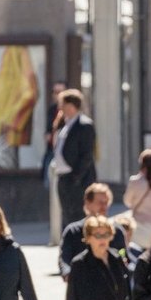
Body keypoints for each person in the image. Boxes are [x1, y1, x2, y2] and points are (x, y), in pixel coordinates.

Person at [59, 183, 127, 276]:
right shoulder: (72, 231)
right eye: (100, 203)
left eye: (106, 203)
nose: (104, 207)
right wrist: (69, 274)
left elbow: (123, 254)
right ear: (87, 203)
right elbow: (64, 259)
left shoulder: (117, 231)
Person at [53, 89, 97, 226]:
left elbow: (87, 154)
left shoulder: (84, 125)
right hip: (63, 176)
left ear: (71, 105)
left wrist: (76, 176)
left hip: (76, 179)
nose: (60, 108)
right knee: (66, 214)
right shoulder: (65, 124)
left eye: (63, 104)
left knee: (77, 215)